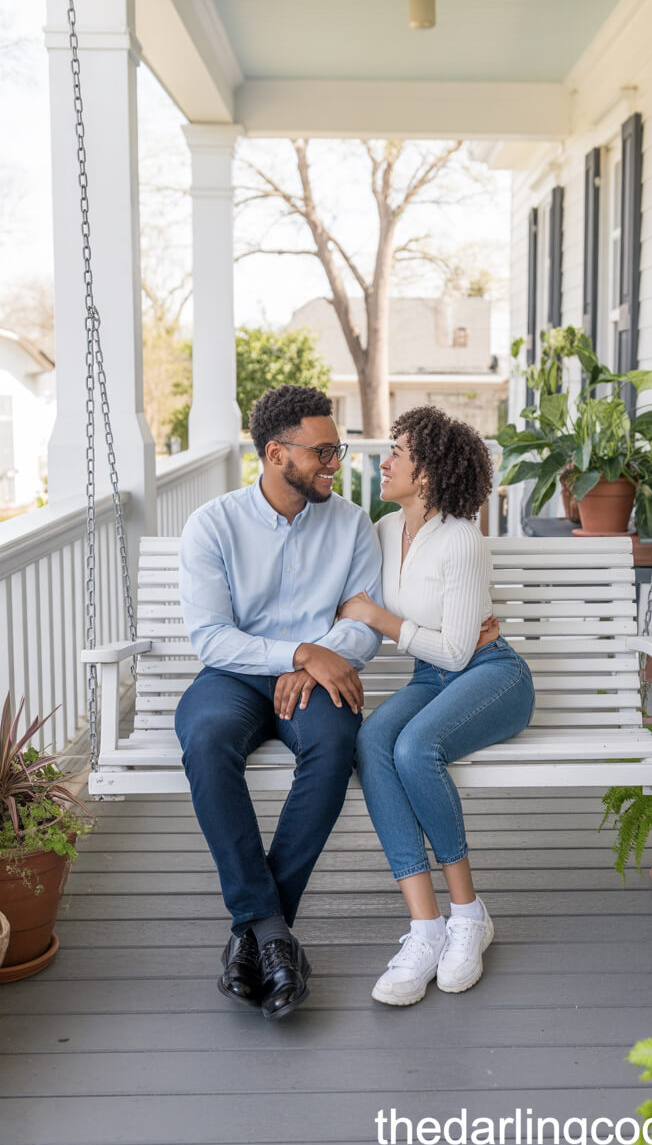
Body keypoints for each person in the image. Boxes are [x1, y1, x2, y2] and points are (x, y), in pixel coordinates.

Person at [175, 385, 382, 1020]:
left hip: (315, 682)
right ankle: (271, 933)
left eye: (336, 449)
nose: (334, 463)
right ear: (275, 453)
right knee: (207, 740)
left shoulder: (351, 523)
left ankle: (256, 936)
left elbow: (364, 625)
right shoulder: (213, 524)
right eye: (322, 451)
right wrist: (297, 653)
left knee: (334, 742)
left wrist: (316, 658)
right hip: (235, 677)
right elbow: (210, 636)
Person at [339, 406, 536, 1006]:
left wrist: (378, 616)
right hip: (434, 674)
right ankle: (425, 929)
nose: (386, 460)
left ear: (426, 473)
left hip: (491, 673)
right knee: (372, 743)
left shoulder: (461, 538)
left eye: (398, 452)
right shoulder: (381, 530)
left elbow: (456, 650)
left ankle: (469, 915)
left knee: (415, 747)